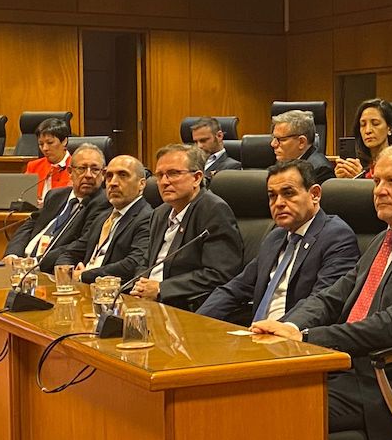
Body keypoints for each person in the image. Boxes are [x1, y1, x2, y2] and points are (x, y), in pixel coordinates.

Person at [252, 145, 392, 440]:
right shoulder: (386, 239)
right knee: (256, 389)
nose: (379, 191)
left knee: (277, 406)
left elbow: (390, 326)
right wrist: (287, 326)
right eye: (376, 181)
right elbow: (331, 297)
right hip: (355, 369)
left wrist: (307, 337)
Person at [198, 160, 360, 326]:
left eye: (288, 193)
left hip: (294, 337)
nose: (279, 203)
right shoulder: (275, 237)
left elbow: (323, 303)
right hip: (256, 333)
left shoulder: (337, 237)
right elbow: (235, 289)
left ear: (315, 194)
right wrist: (197, 321)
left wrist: (278, 330)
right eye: (272, 196)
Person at [132, 144, 243, 311]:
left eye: (173, 173)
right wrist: (140, 284)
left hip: (183, 306)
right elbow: (147, 262)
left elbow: (220, 273)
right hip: (147, 302)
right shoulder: (160, 213)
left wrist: (162, 288)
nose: (164, 182)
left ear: (197, 178)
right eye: (160, 175)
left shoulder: (213, 210)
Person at [5, 143, 110, 273]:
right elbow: (30, 224)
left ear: (104, 174)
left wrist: (36, 263)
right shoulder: (56, 195)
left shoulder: (103, 203)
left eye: (95, 169)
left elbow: (80, 244)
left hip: (47, 269)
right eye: (82, 168)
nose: (88, 175)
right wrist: (13, 254)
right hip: (22, 266)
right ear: (70, 172)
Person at [55, 154, 152, 284]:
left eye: (123, 175)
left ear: (141, 184)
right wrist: (67, 272)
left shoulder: (147, 217)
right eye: (109, 176)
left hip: (113, 293)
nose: (113, 183)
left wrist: (84, 275)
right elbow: (70, 252)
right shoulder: (103, 217)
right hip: (83, 287)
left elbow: (133, 263)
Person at [335, 98, 392, 179]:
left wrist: (359, 178)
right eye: (363, 125)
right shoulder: (356, 163)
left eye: (375, 124)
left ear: (390, 128)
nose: (368, 130)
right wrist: (341, 181)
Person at [271, 109, 333, 185]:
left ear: (301, 142)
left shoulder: (320, 170)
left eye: (281, 139)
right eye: (274, 138)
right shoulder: (284, 160)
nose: (273, 144)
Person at [24, 117, 71, 202]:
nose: (45, 148)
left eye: (50, 143)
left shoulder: (76, 167)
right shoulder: (33, 166)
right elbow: (24, 197)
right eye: (41, 144)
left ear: (64, 141)